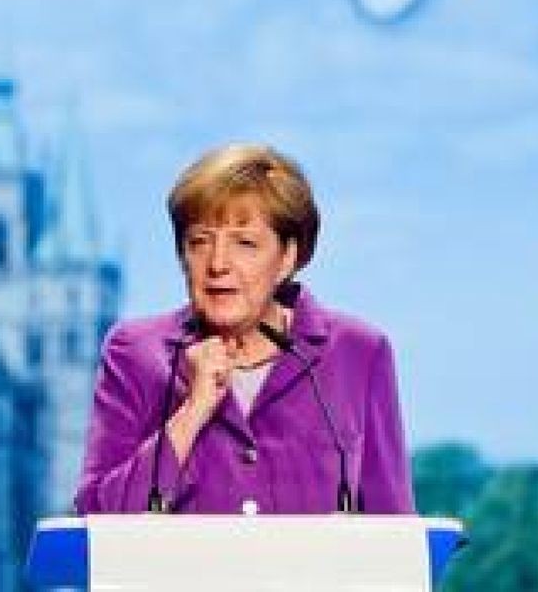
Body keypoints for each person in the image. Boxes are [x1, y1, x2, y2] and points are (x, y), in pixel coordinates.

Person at [74, 144, 415, 514]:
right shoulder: (134, 352)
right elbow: (98, 517)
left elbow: (393, 525)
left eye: (245, 243)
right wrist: (193, 411)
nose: (218, 263)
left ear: (288, 257)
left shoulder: (359, 352)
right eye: (199, 242)